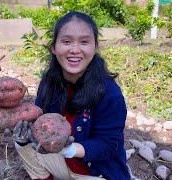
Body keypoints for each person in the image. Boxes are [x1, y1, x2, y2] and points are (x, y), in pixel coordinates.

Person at [14, 11, 131, 180]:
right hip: (63, 164)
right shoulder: (49, 82)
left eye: (84, 42)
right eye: (66, 41)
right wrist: (25, 135)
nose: (75, 50)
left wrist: (70, 149)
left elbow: (107, 145)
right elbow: (38, 122)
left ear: (95, 47)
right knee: (22, 145)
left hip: (96, 173)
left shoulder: (109, 93)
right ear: (54, 47)